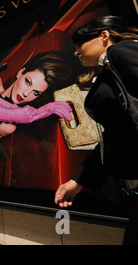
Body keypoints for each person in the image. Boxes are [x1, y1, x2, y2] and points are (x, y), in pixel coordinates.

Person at [54, 15, 138, 245]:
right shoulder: (108, 71)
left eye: (80, 44)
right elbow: (115, 135)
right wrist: (79, 181)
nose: (76, 52)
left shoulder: (120, 52)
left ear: (104, 36)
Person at [0, 51, 75, 139]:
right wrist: (16, 115)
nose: (26, 93)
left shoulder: (9, 127)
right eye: (28, 82)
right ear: (20, 73)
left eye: (36, 93)